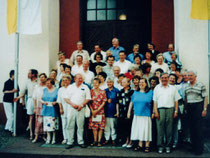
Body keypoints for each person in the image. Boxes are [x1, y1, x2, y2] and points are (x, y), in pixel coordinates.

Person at [152, 73, 180, 154]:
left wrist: (176, 111)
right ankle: (160, 146)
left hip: (170, 109)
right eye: (163, 78)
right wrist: (155, 111)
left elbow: (176, 100)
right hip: (160, 110)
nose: (164, 79)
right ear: (160, 78)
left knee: (169, 129)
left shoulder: (172, 88)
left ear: (168, 79)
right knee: (160, 129)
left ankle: (168, 146)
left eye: (166, 78)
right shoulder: (157, 88)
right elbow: (155, 101)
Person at [184, 70, 208, 155]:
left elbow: (205, 97)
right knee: (192, 128)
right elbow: (186, 98)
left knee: (198, 129)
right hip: (189, 107)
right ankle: (194, 146)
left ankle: (199, 149)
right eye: (188, 75)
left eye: (191, 75)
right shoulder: (186, 86)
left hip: (198, 107)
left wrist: (204, 109)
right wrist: (186, 108)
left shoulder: (201, 85)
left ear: (195, 76)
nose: (189, 77)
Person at [64, 73, 91, 149]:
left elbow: (88, 98)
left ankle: (80, 141)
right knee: (70, 125)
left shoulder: (85, 87)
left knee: (80, 126)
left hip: (81, 109)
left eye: (81, 78)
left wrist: (81, 105)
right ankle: (70, 142)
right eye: (78, 78)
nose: (80, 80)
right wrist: (72, 104)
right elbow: (66, 98)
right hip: (71, 109)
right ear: (74, 79)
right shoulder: (70, 87)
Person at [128, 78, 153, 152]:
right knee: (139, 130)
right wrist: (129, 112)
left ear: (146, 84)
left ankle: (147, 145)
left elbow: (154, 102)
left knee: (146, 130)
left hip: (146, 114)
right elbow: (131, 102)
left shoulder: (150, 92)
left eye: (143, 82)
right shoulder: (135, 92)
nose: (141, 84)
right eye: (140, 82)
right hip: (137, 114)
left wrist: (154, 112)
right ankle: (140, 144)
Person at [15, 69, 38, 140]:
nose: (28, 75)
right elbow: (22, 92)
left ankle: (39, 134)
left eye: (29, 73)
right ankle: (31, 133)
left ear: (33, 74)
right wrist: (19, 98)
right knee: (31, 117)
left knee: (39, 118)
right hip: (31, 100)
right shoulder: (27, 82)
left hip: (39, 100)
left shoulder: (39, 81)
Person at [89, 78, 107, 147]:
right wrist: (92, 111)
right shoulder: (91, 92)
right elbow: (89, 102)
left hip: (100, 111)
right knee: (94, 127)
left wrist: (97, 110)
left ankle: (99, 141)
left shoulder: (103, 92)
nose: (95, 84)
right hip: (93, 111)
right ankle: (95, 140)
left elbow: (104, 102)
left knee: (100, 127)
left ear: (99, 84)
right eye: (94, 83)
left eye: (96, 83)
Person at [117, 77, 134, 148]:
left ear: (128, 83)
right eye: (122, 82)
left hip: (129, 111)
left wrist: (130, 111)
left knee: (129, 126)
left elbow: (132, 102)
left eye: (124, 82)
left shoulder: (131, 91)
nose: (122, 83)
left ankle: (130, 141)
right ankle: (126, 140)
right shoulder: (120, 91)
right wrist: (117, 111)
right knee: (124, 127)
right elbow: (117, 102)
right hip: (122, 111)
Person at [41, 78, 59, 144]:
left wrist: (55, 102)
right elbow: (40, 99)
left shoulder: (56, 90)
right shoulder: (44, 90)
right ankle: (48, 138)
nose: (47, 84)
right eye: (46, 83)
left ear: (52, 83)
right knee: (47, 125)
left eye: (49, 83)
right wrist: (43, 102)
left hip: (53, 109)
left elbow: (59, 99)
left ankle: (54, 138)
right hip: (46, 109)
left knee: (53, 125)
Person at [32, 73, 47, 143]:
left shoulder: (47, 86)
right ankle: (36, 136)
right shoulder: (36, 87)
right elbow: (34, 98)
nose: (42, 78)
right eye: (41, 77)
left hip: (46, 106)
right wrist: (35, 107)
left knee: (44, 121)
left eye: (43, 77)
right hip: (38, 106)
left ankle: (44, 136)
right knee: (38, 122)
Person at [104, 77, 119, 146]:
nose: (109, 83)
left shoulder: (116, 90)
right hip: (106, 110)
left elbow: (118, 101)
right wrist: (106, 101)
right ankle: (107, 139)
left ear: (113, 83)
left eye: (110, 82)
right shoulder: (105, 91)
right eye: (108, 82)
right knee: (106, 126)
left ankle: (113, 139)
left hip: (113, 110)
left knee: (113, 126)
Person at [2, 70, 18, 135]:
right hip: (7, 101)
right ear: (12, 75)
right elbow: (4, 91)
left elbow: (17, 91)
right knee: (10, 116)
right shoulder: (7, 82)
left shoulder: (15, 82)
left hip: (13, 101)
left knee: (11, 116)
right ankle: (9, 129)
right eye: (16, 74)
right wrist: (12, 91)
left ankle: (8, 128)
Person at [57, 75, 72, 144]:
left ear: (69, 81)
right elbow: (59, 100)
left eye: (66, 80)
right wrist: (60, 108)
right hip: (63, 108)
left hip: (71, 108)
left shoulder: (72, 88)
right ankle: (65, 138)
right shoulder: (60, 89)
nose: (65, 82)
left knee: (70, 124)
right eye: (63, 80)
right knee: (64, 124)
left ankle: (70, 138)